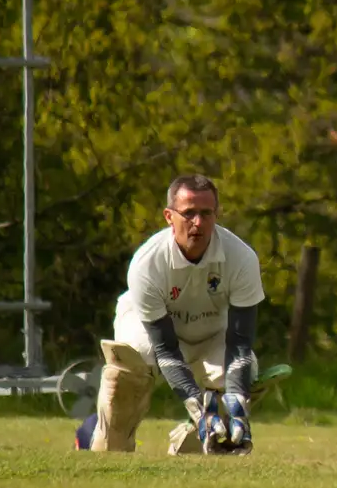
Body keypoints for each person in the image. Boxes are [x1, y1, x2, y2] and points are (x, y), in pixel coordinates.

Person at [78, 173, 266, 455]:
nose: (198, 223)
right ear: (169, 216)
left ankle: (196, 440)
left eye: (206, 213)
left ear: (217, 214)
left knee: (244, 369)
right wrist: (196, 406)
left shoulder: (241, 258)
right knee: (132, 361)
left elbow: (240, 343)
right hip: (146, 328)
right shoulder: (147, 263)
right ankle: (103, 436)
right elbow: (166, 349)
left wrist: (237, 398)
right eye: (188, 213)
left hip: (210, 332)